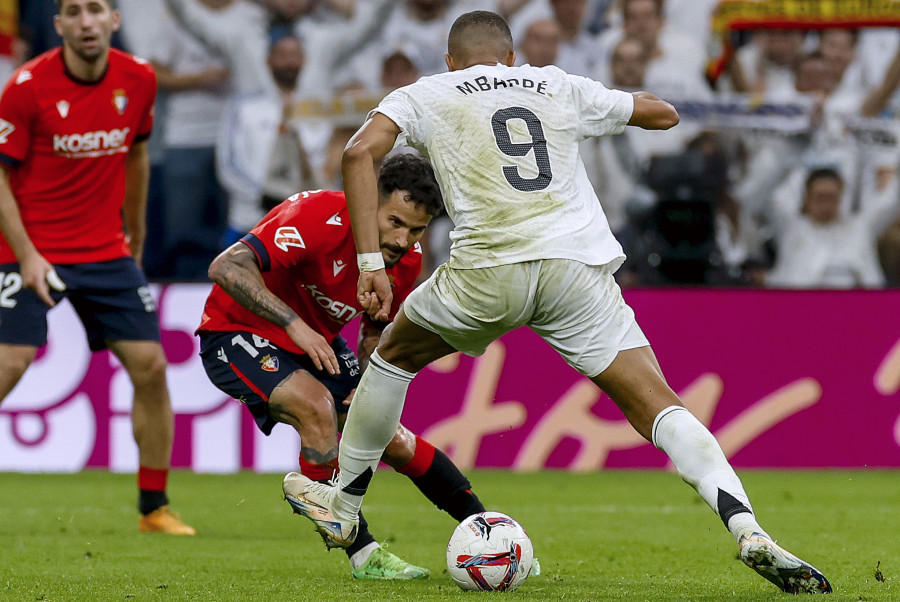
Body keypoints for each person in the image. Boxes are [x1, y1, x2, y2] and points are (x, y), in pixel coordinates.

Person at [286, 11, 833, 595]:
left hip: (488, 267)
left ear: (450, 61)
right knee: (658, 404)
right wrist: (622, 103)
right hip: (576, 269)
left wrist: (372, 263)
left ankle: (343, 506)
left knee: (391, 357)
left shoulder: (426, 93)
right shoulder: (555, 83)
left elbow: (357, 153)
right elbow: (661, 113)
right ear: (511, 58)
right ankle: (746, 526)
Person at [197, 153, 487, 579]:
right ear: (369, 202)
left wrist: (369, 383)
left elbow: (373, 331)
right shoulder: (316, 216)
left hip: (318, 345)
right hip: (234, 330)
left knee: (389, 435)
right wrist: (295, 326)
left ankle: (487, 528)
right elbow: (225, 267)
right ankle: (363, 552)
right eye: (395, 222)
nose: (403, 240)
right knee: (315, 406)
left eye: (417, 229)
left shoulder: (405, 261)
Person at [0, 0, 194, 535]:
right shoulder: (26, 86)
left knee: (151, 368)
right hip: (28, 246)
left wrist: (137, 235)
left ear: (114, 19)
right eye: (74, 12)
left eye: (97, 10)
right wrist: (27, 255)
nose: (86, 21)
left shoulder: (140, 79)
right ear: (58, 25)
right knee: (11, 363)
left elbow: (135, 155)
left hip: (104, 249)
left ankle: (154, 508)